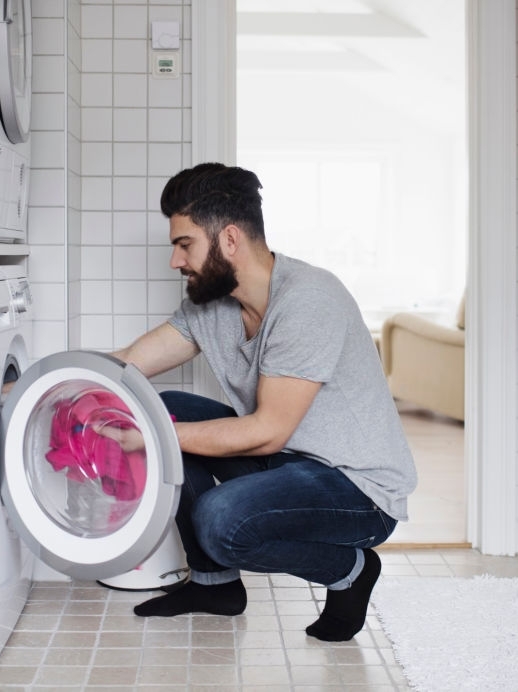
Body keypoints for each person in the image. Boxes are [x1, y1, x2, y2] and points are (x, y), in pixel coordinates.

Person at [111, 163, 417, 642]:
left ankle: (350, 570)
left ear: (229, 239)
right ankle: (216, 588)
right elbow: (130, 362)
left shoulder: (308, 300)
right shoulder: (208, 303)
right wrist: (39, 383)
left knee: (219, 518)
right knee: (166, 406)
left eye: (184, 243)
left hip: (356, 489)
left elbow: (267, 430)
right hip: (289, 462)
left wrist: (150, 436)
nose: (175, 261)